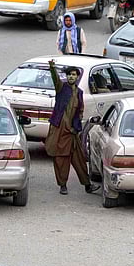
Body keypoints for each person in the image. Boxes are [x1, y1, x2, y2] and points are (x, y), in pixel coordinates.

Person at [46, 61, 99, 196]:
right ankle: (62, 185)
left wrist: (76, 127)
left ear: (77, 77)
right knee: (61, 159)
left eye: (73, 75)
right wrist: (52, 68)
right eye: (69, 75)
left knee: (79, 158)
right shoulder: (61, 88)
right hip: (60, 129)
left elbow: (80, 110)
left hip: (73, 131)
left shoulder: (79, 92)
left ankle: (87, 185)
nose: (71, 77)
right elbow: (55, 79)